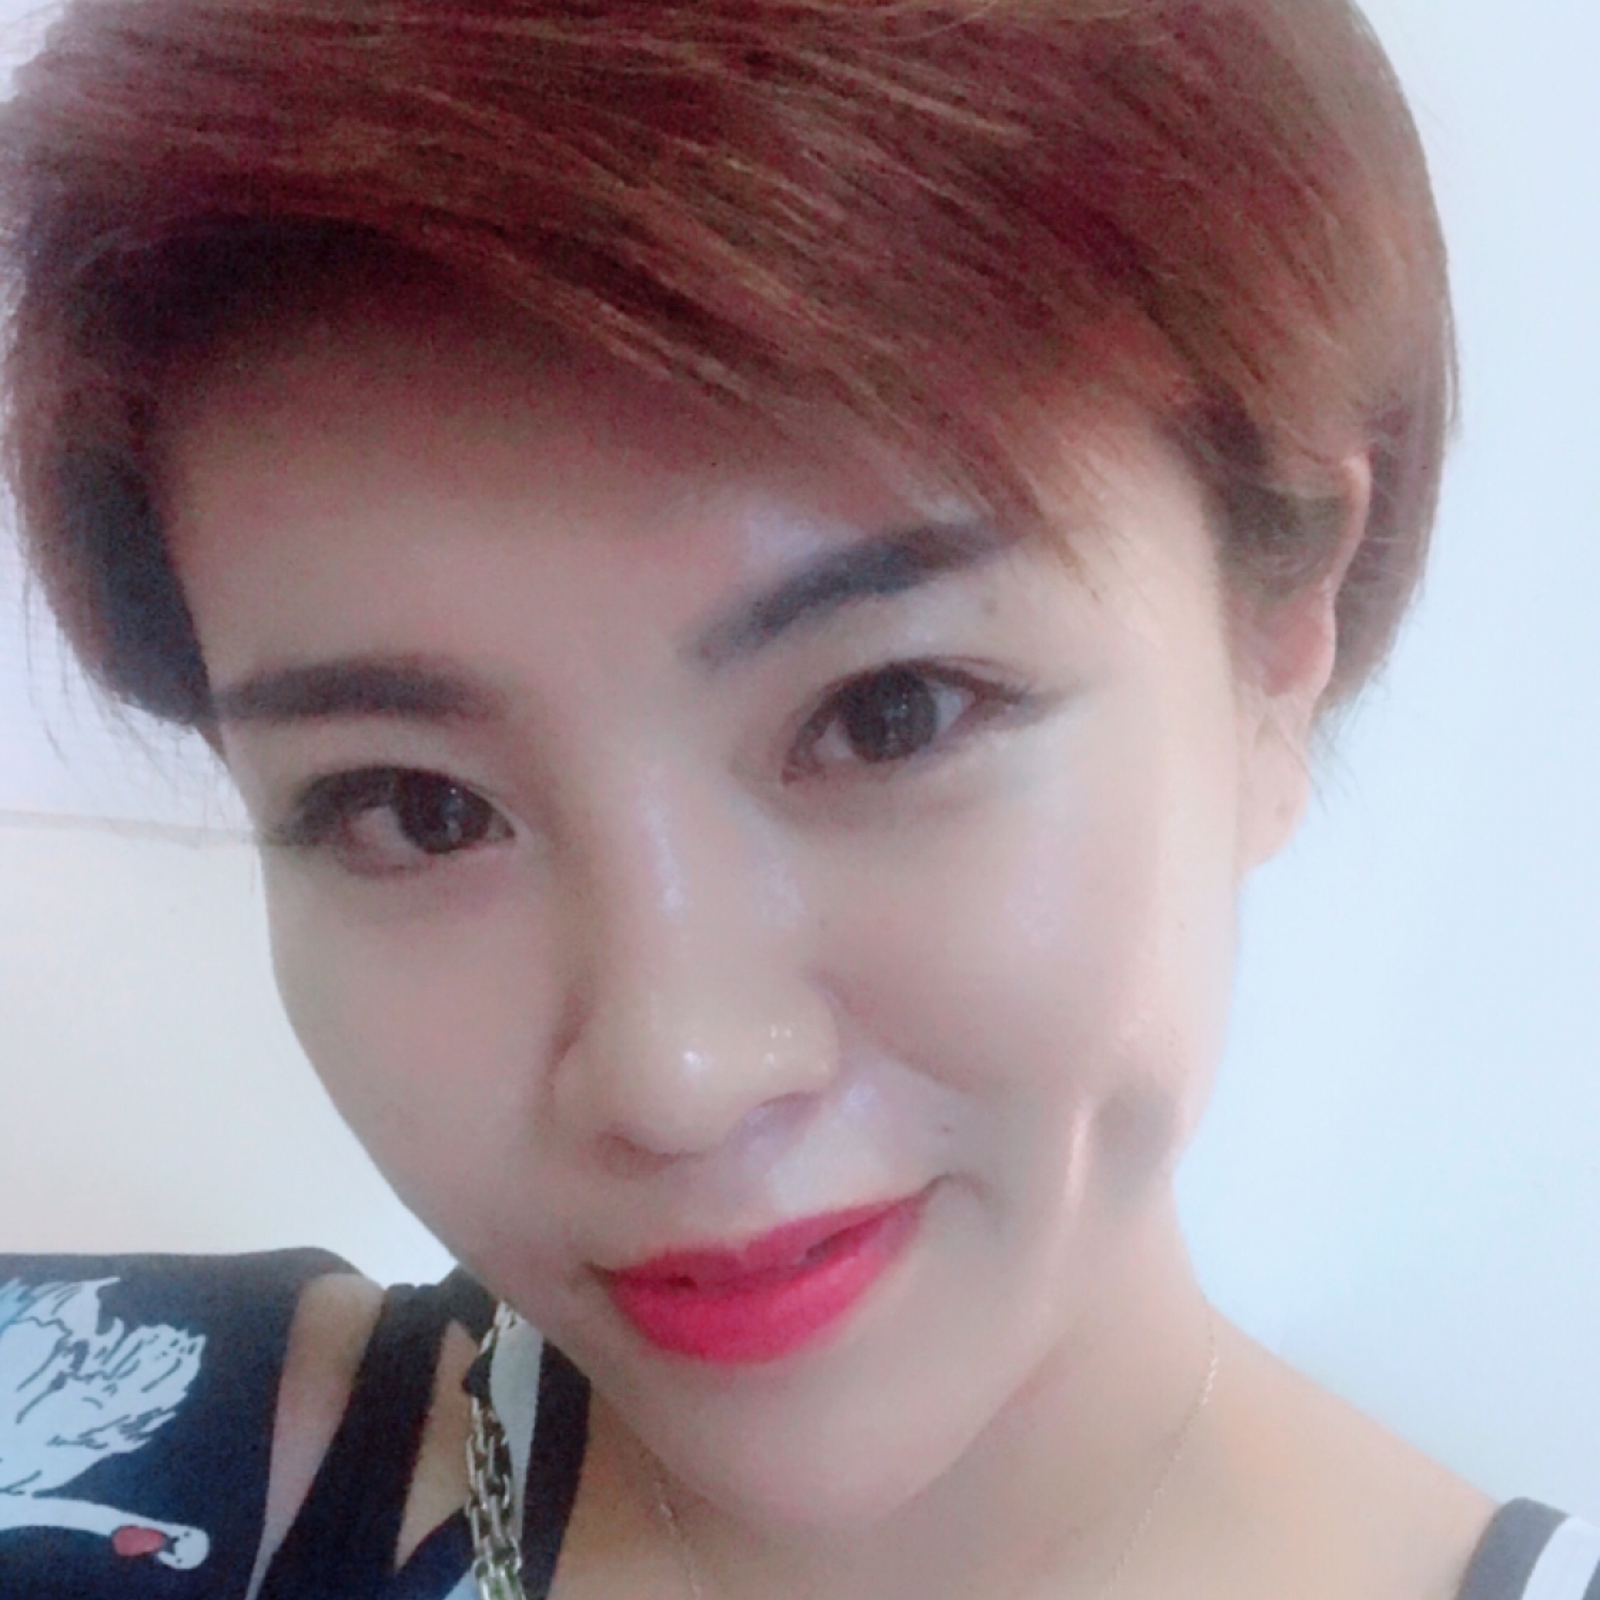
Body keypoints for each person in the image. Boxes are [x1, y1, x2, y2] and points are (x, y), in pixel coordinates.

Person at [0, 1, 1594, 1598]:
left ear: (1279, 654)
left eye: (889, 716)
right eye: (416, 808)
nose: (674, 1076)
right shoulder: (89, 1458)